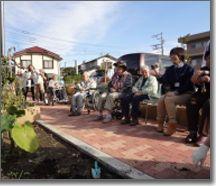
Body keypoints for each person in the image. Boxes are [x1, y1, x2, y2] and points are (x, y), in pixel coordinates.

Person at [155, 47, 194, 136]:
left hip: (186, 93)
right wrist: (157, 75)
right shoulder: (170, 69)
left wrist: (176, 92)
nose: (172, 59)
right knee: (161, 99)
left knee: (169, 100)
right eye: (171, 57)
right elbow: (164, 80)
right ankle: (160, 123)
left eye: (174, 57)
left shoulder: (189, 69)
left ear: (181, 57)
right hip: (173, 93)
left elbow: (189, 85)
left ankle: (172, 124)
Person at [185, 42, 210, 143]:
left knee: (209, 104)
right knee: (191, 101)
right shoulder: (203, 69)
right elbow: (193, 80)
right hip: (202, 94)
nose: (210, 60)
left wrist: (209, 79)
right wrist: (199, 77)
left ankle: (203, 134)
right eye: (208, 58)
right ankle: (192, 132)